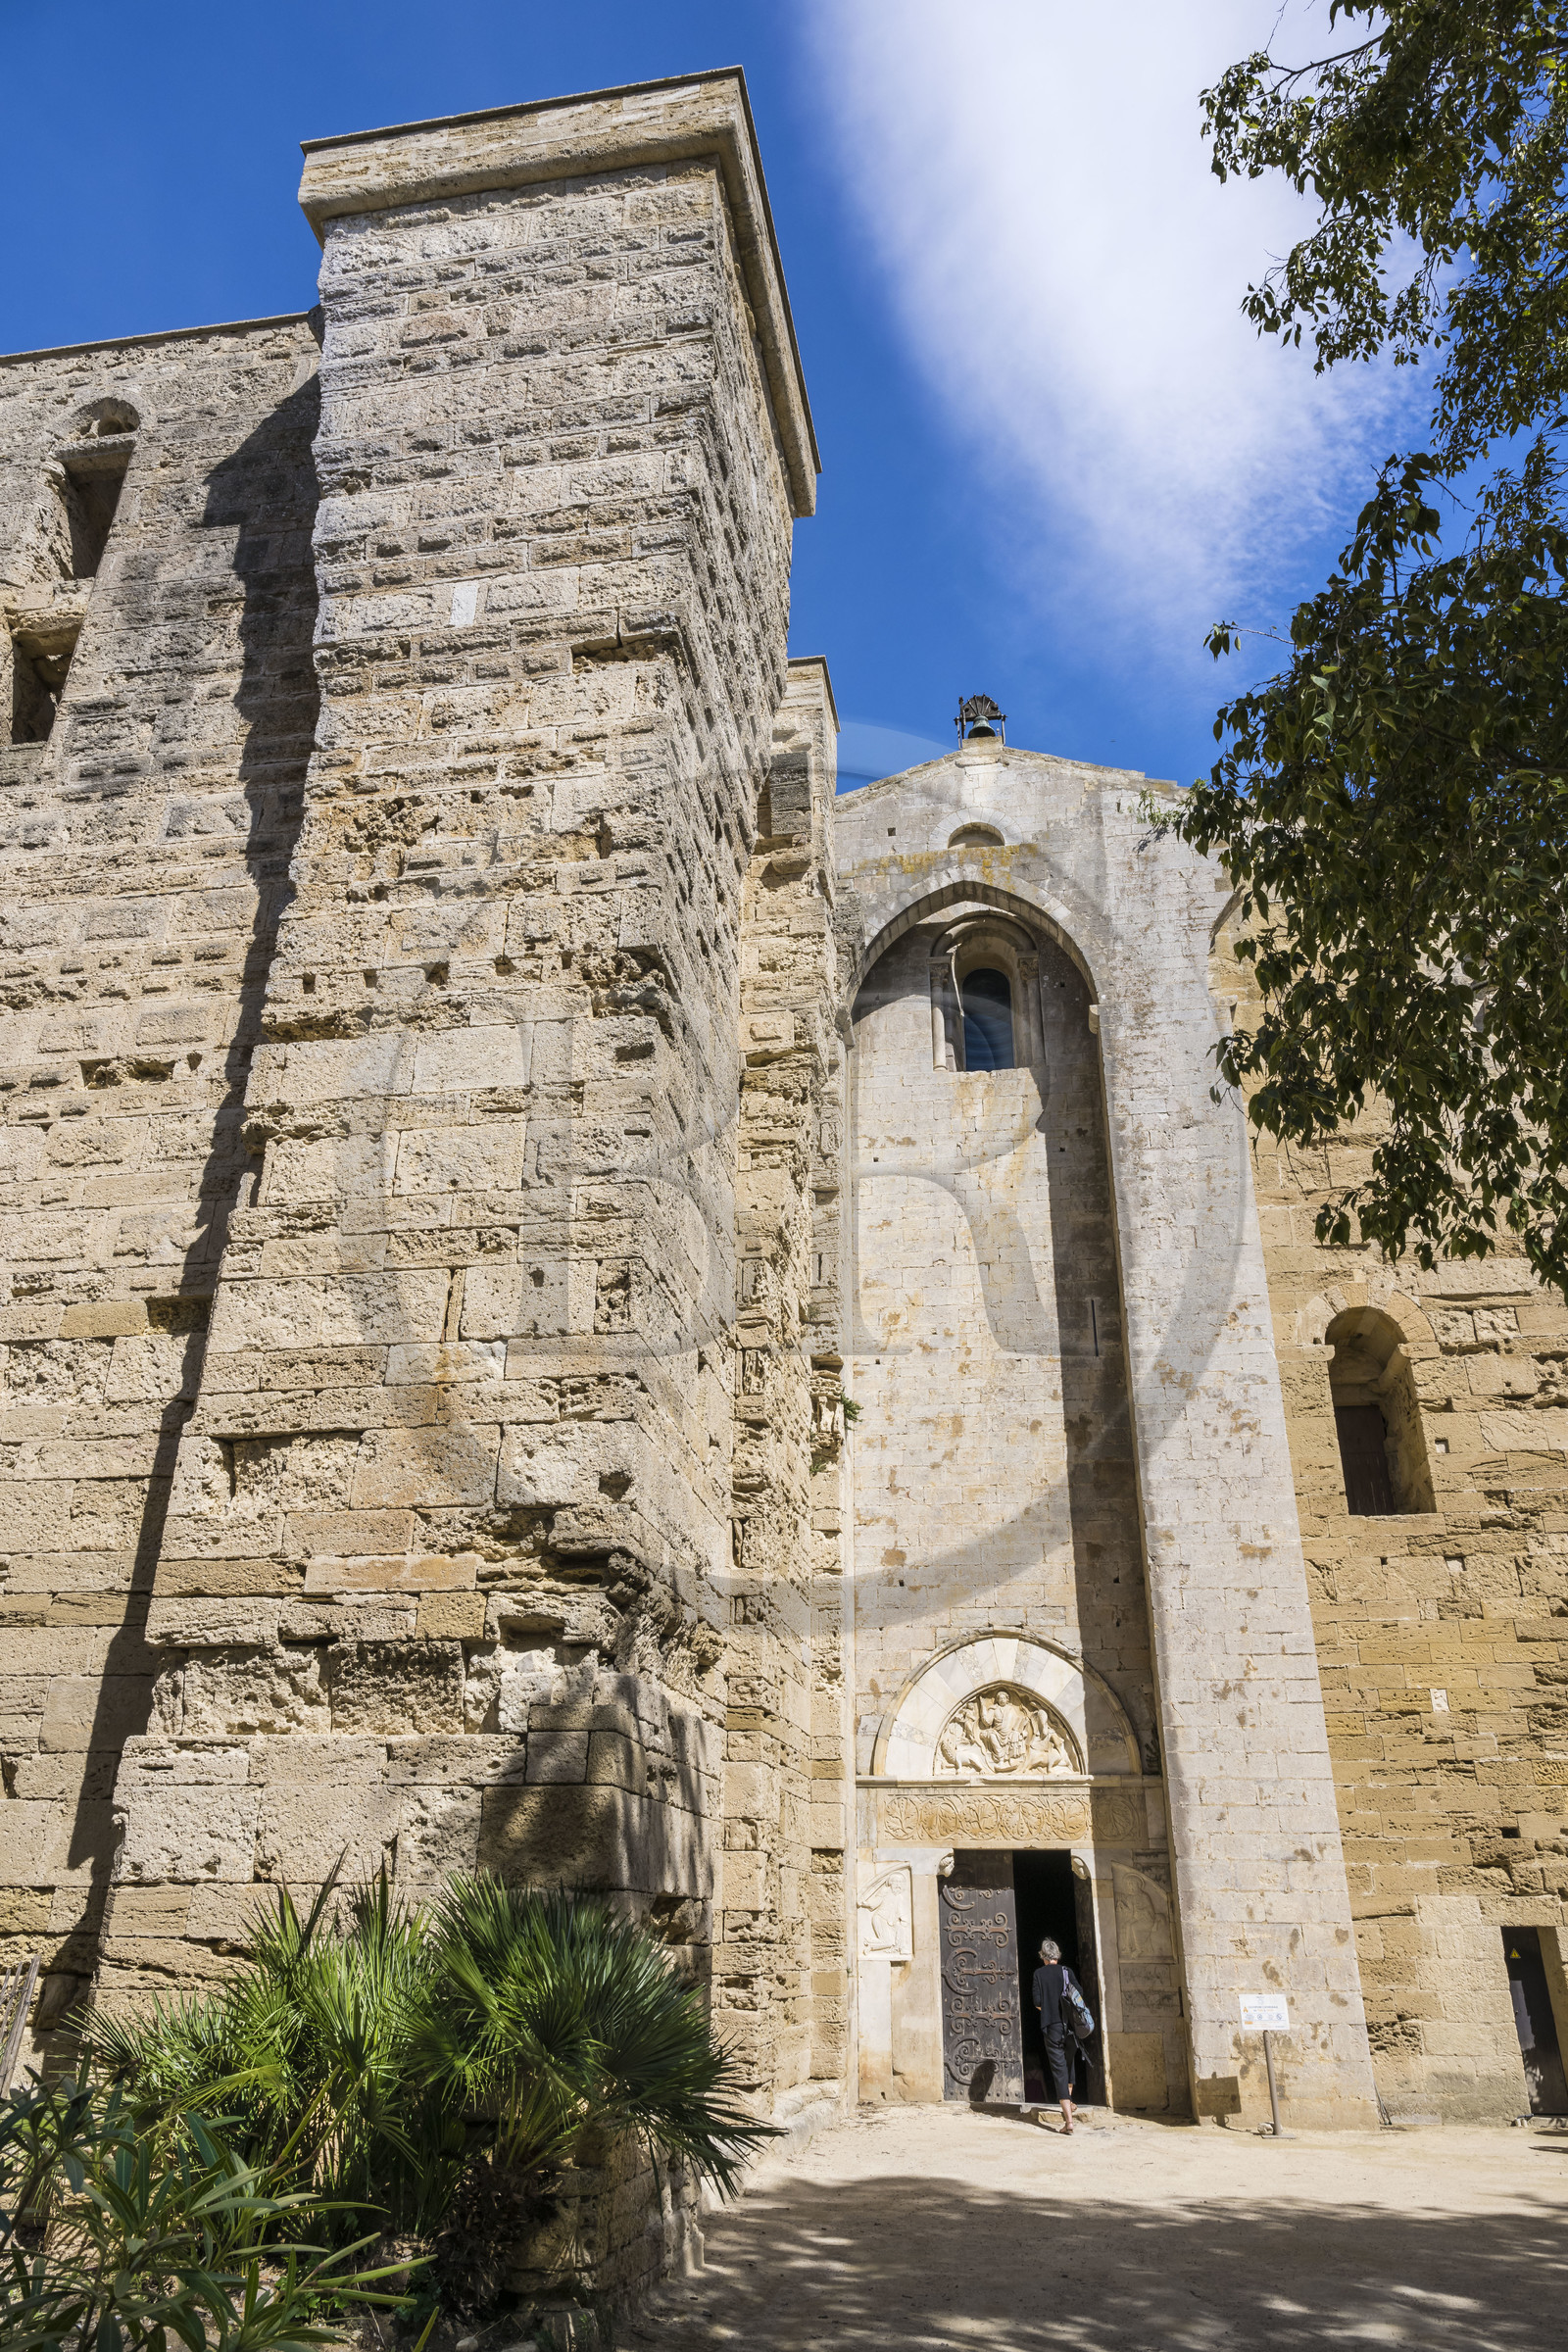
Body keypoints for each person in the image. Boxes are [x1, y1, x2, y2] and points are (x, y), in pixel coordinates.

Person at [1031, 1936, 1082, 2133]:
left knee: (1059, 2070)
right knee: (1069, 2063)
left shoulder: (1039, 1974)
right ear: (1057, 1956)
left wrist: (1049, 2007)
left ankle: (1068, 2121)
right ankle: (1070, 2102)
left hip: (1052, 2026)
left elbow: (1037, 2002)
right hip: (1071, 2027)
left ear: (1044, 1956)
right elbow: (1079, 1994)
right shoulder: (1067, 1972)